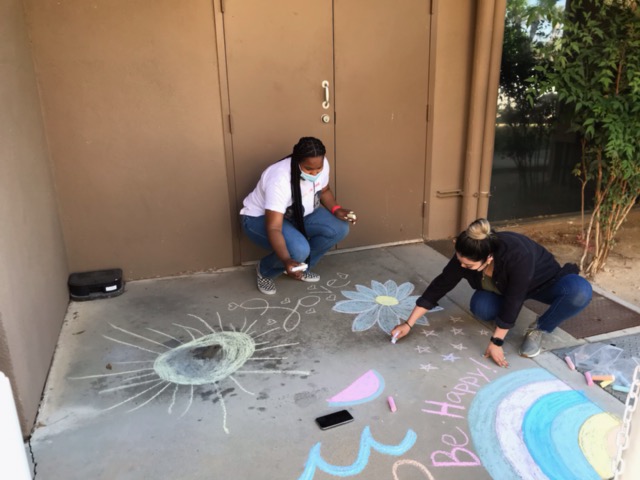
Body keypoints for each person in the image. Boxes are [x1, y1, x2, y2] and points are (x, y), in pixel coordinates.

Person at [391, 218, 592, 366]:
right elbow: (441, 284)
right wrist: (409, 323)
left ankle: (539, 328)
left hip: (544, 283)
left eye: (467, 265)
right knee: (481, 308)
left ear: (488, 258)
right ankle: (501, 316)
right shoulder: (471, 250)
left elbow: (515, 298)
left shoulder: (517, 255)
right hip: (503, 288)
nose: (461, 265)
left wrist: (496, 341)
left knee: (579, 291)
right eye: (459, 260)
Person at [240, 137, 355, 295]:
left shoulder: (321, 163)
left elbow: (325, 190)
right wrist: (286, 260)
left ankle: (300, 267)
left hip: (297, 214)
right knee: (298, 249)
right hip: (259, 220)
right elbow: (274, 227)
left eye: (318, 169)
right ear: (297, 161)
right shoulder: (279, 179)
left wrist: (336, 209)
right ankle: (265, 271)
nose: (315, 173)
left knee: (340, 228)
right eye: (309, 170)